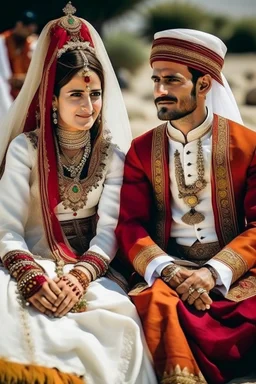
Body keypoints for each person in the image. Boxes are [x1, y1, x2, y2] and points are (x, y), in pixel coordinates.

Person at [0, 3, 157, 384]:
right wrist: (32, 279)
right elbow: (7, 228)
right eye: (75, 95)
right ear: (52, 99)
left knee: (118, 322)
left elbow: (108, 232)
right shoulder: (26, 148)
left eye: (96, 95)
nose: (89, 107)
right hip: (28, 262)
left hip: (91, 270)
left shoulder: (112, 154)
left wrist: (80, 276)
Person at [115, 28, 256, 384]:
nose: (159, 91)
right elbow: (129, 225)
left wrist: (212, 273)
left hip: (231, 274)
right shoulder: (141, 150)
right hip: (169, 273)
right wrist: (168, 270)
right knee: (157, 306)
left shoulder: (248, 145)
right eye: (156, 80)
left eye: (172, 81)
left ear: (204, 84)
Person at [0, 10, 38, 101]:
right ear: (19, 25)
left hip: (26, 90)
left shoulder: (33, 44)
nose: (29, 31)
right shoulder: (2, 42)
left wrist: (26, 79)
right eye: (26, 27)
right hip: (4, 91)